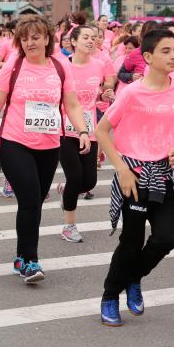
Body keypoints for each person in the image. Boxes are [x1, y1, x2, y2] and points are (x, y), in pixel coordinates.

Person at [0, 14, 90, 283]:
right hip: (16, 142)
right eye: (25, 38)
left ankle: (20, 255)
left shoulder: (60, 66)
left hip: (50, 144)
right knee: (29, 199)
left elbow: (72, 104)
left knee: (35, 203)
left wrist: (83, 130)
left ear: (47, 39)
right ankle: (31, 260)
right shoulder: (13, 66)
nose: (30, 42)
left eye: (36, 37)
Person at [97, 29, 174, 326]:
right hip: (134, 176)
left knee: (165, 238)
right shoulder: (132, 93)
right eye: (165, 51)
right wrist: (123, 171)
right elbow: (101, 131)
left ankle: (134, 277)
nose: (173, 56)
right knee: (131, 241)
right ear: (147, 57)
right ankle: (110, 295)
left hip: (164, 175)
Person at [57, 25, 115, 241]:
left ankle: (65, 191)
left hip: (88, 129)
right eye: (86, 38)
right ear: (73, 42)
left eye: (94, 38)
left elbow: (97, 95)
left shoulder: (99, 65)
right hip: (65, 129)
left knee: (89, 181)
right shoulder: (62, 66)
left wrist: (105, 95)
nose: (91, 41)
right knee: (75, 176)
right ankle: (69, 226)